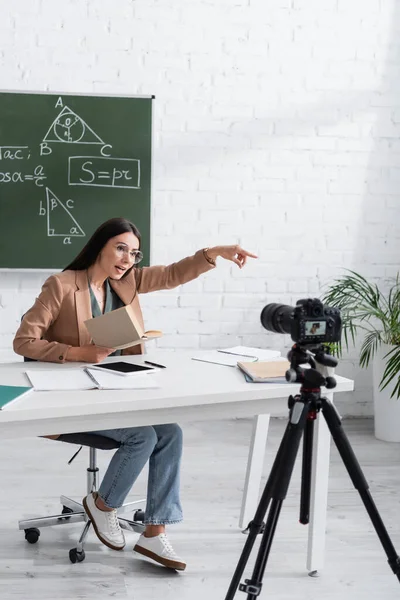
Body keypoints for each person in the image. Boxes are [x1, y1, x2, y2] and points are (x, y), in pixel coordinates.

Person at [13, 217, 257, 571]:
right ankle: (103, 505)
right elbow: (24, 342)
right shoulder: (63, 285)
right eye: (121, 248)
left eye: (134, 253)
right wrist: (80, 353)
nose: (128, 258)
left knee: (170, 431)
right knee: (142, 436)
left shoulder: (126, 282)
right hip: (70, 399)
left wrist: (214, 253)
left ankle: (154, 533)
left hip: (115, 389)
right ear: (101, 246)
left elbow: (173, 274)